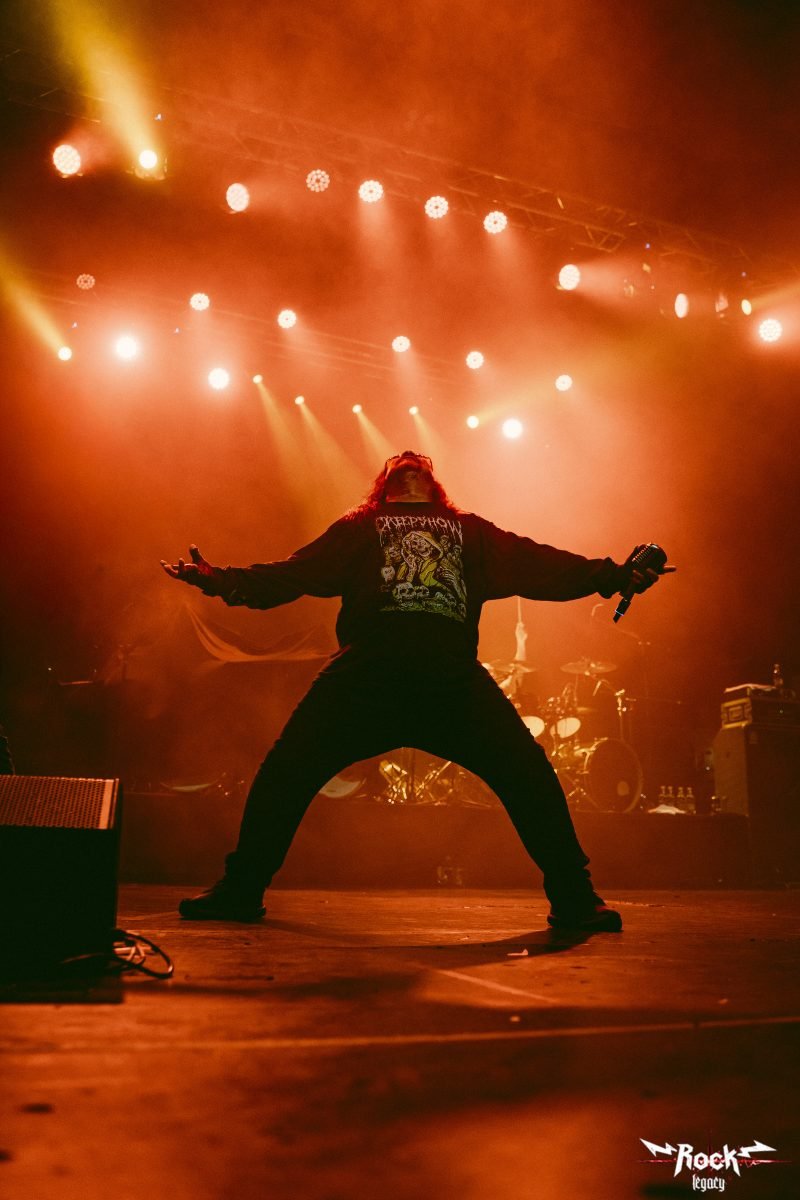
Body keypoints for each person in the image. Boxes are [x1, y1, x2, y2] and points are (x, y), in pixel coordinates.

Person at [161, 450, 672, 930]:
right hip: (365, 678)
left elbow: (537, 562)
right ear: (383, 486)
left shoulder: (469, 531)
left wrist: (615, 575)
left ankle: (575, 897)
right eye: (399, 463)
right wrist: (221, 580)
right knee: (284, 772)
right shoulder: (360, 526)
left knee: (529, 774)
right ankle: (241, 889)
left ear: (434, 484)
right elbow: (295, 573)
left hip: (450, 681)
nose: (410, 461)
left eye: (420, 463)